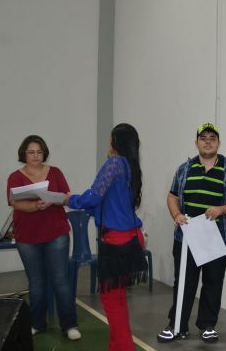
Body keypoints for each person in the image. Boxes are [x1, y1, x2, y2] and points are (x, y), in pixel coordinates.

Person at [157, 122, 226, 344]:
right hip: (186, 237)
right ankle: (177, 325)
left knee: (213, 282)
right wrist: (177, 214)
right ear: (196, 143)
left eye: (212, 138)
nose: (207, 142)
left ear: (218, 143)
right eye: (203, 138)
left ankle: (207, 325)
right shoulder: (184, 169)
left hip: (219, 236)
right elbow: (172, 196)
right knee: (184, 282)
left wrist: (222, 209)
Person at [63, 123, 148, 351]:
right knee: (118, 299)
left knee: (111, 301)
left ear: (114, 141)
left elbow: (93, 196)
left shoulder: (114, 163)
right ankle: (117, 346)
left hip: (116, 241)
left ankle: (124, 347)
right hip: (132, 238)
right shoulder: (131, 166)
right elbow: (104, 202)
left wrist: (68, 199)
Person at [6, 135, 81, 340]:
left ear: (44, 153)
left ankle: (70, 325)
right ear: (24, 154)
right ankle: (37, 323)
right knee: (36, 282)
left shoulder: (55, 172)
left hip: (56, 233)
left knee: (61, 280)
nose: (35, 156)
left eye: (39, 152)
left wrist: (54, 200)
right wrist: (35, 206)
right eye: (31, 152)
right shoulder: (15, 177)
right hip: (27, 236)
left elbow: (67, 196)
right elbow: (14, 202)